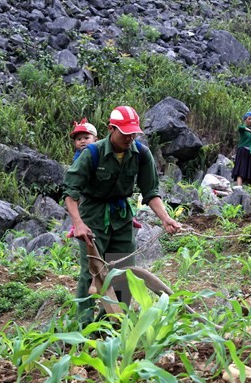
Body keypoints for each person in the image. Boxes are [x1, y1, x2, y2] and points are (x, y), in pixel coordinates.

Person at [63, 105, 181, 326]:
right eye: (125, 133)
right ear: (111, 129)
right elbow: (71, 193)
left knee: (124, 274)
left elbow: (151, 192)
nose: (129, 138)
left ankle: (112, 324)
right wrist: (78, 224)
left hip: (121, 217)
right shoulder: (92, 153)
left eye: (133, 134)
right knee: (92, 273)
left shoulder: (141, 154)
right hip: (93, 217)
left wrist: (166, 218)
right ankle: (83, 327)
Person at [231, 111, 251, 187]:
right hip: (243, 151)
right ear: (245, 120)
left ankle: (248, 187)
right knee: (241, 169)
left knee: (250, 170)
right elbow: (240, 128)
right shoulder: (244, 129)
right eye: (249, 119)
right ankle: (239, 186)